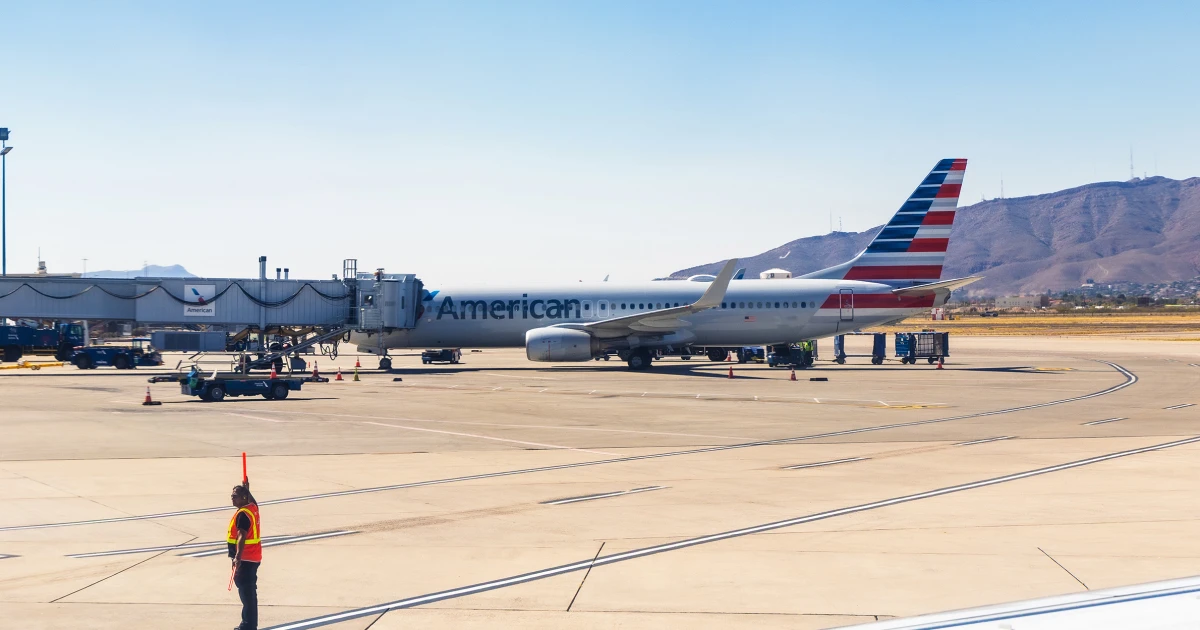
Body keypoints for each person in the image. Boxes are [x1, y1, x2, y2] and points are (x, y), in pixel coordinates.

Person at [228, 484, 261, 630]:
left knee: (246, 593)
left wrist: (237, 557)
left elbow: (242, 535)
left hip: (245, 559)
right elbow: (254, 502)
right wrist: (248, 490)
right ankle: (249, 623)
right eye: (232, 496)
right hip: (253, 557)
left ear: (243, 497)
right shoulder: (252, 508)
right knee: (249, 592)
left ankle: (248, 625)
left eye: (235, 496)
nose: (232, 498)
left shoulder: (243, 514)